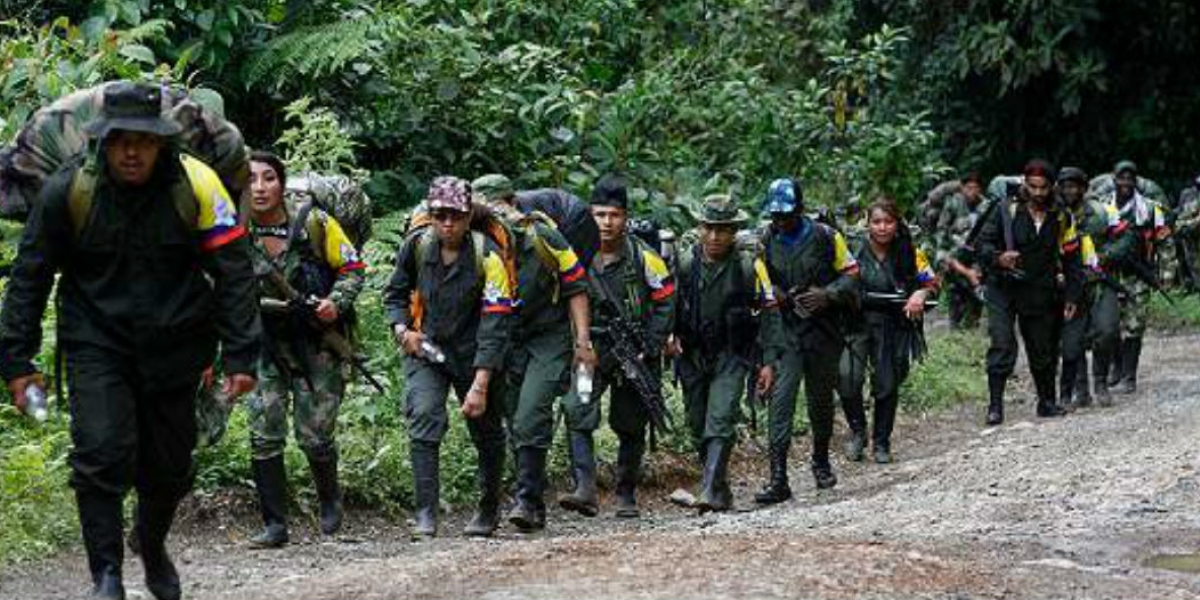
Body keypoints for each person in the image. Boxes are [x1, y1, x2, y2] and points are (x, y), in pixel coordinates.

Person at [0, 81, 260, 600]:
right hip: (97, 343)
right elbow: (30, 274)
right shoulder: (70, 189)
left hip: (178, 344)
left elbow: (233, 272)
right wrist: (15, 360)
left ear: (163, 141)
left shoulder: (198, 185)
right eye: (120, 140)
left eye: (143, 140)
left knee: (169, 466)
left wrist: (240, 354)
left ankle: (153, 543)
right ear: (103, 141)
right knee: (101, 453)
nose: (132, 151)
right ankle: (107, 575)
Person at [243, 151, 366, 547]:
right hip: (263, 340)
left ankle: (330, 502)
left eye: (268, 178)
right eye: (251, 180)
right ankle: (274, 524)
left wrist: (336, 303)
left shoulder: (314, 222)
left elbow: (352, 268)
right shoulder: (234, 227)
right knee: (263, 429)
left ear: (281, 184)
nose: (259, 188)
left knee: (315, 433)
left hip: (317, 341)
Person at [384, 176, 514, 538]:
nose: (447, 224)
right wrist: (401, 330)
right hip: (427, 349)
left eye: (455, 216)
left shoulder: (487, 254)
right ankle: (426, 513)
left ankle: (488, 509)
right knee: (423, 415)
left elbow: (496, 319)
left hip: (477, 354)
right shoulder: (418, 246)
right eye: (440, 215)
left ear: (468, 215)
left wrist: (482, 382)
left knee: (486, 431)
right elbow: (394, 294)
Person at [470, 174, 597, 532]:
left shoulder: (542, 236)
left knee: (530, 414)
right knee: (512, 418)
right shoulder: (477, 246)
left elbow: (576, 286)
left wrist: (582, 342)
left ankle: (526, 499)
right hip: (507, 339)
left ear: (512, 203)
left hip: (547, 337)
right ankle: (533, 500)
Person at [558, 173, 675, 519]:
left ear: (625, 217)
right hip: (588, 350)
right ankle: (585, 488)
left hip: (630, 352)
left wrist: (649, 345)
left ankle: (626, 493)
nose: (607, 223)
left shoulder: (645, 257)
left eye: (614, 215)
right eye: (599, 215)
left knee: (630, 420)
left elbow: (666, 301)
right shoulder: (575, 253)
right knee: (577, 409)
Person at [670, 195, 784, 511]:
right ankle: (719, 489)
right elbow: (668, 303)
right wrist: (668, 336)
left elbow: (769, 312)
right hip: (692, 352)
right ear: (699, 227)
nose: (715, 236)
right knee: (697, 423)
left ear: (734, 231)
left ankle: (707, 490)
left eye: (723, 229)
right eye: (709, 228)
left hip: (732, 353)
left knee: (720, 417)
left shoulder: (749, 265)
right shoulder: (685, 262)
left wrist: (769, 362)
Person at [755, 178, 859, 503]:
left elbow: (853, 272)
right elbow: (760, 280)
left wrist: (827, 295)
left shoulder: (827, 237)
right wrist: (780, 296)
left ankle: (821, 460)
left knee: (820, 402)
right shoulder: (765, 239)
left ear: (799, 210)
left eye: (786, 214)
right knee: (780, 402)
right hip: (786, 333)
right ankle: (778, 478)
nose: (780, 221)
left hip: (822, 332)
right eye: (775, 215)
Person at [976, 159, 1082, 425]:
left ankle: (1046, 402)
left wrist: (1071, 295)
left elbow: (1072, 259)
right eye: (1032, 187)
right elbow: (982, 244)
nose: (1037, 193)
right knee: (1002, 343)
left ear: (1051, 187)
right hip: (1003, 287)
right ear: (1025, 183)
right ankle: (995, 405)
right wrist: (999, 258)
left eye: (1043, 188)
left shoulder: (1062, 215)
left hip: (1040, 288)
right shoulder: (1005, 208)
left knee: (1043, 347)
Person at [839, 200, 937, 463]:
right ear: (867, 223)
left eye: (888, 222)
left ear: (897, 224)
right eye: (876, 222)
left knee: (886, 384)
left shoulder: (909, 250)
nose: (882, 228)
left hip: (893, 325)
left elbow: (931, 282)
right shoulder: (852, 248)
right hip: (855, 323)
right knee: (848, 378)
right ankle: (858, 431)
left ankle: (882, 442)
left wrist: (920, 292)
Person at [1056, 167, 1131, 408]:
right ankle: (1081, 390)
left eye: (1074, 186)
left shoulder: (1102, 211)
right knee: (1073, 339)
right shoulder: (1054, 215)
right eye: (1065, 186)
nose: (1069, 191)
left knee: (1107, 330)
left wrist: (1105, 255)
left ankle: (1100, 381)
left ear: (1084, 188)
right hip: (1068, 286)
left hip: (1100, 281)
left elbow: (1126, 238)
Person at [1103, 161, 1169, 394]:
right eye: (1122, 178)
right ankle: (1116, 367)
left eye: (1130, 178)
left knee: (1134, 325)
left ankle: (1129, 376)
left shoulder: (1150, 209)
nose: (1126, 183)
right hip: (1109, 274)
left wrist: (1165, 275)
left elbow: (1164, 241)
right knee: (1110, 325)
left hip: (1139, 274)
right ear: (1114, 178)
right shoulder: (1102, 207)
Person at [936, 172, 987, 330]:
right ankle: (955, 324)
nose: (972, 192)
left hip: (979, 254)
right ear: (962, 188)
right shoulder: (953, 204)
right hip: (955, 252)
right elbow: (942, 232)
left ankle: (973, 323)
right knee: (956, 294)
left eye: (975, 188)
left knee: (975, 302)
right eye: (968, 188)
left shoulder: (986, 206)